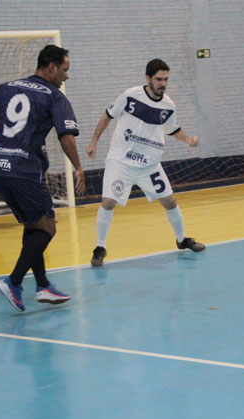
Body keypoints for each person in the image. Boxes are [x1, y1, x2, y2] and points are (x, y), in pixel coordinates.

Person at [0, 45, 85, 312]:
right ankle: (14, 282)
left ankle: (42, 285)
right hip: (24, 169)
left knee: (33, 224)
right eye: (65, 70)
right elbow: (66, 136)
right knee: (47, 227)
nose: (67, 76)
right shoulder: (55, 96)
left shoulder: (7, 87)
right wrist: (78, 166)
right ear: (51, 67)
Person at [87, 59, 205, 267]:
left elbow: (172, 128)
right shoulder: (131, 95)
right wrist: (94, 142)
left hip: (149, 164)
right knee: (108, 201)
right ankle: (100, 247)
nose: (163, 84)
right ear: (148, 78)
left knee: (170, 201)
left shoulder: (168, 105)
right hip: (121, 161)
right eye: (159, 79)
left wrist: (188, 140)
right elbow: (107, 116)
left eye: (166, 80)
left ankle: (181, 239)